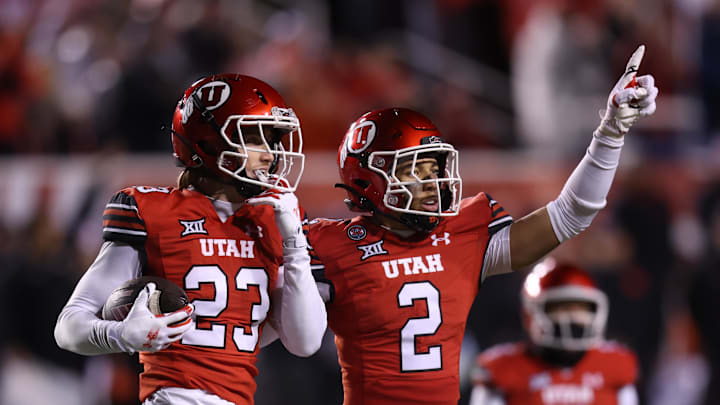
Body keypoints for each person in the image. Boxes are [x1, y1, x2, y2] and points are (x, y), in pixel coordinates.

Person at [304, 46, 657, 404]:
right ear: (369, 177)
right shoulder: (332, 245)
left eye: (434, 168)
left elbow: (571, 214)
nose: (432, 182)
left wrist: (610, 133)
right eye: (414, 169)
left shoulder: (462, 233)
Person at [54, 74, 327, 405]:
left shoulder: (273, 222)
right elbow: (69, 327)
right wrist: (121, 336)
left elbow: (305, 341)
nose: (270, 155)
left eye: (273, 140)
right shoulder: (154, 212)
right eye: (254, 138)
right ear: (208, 140)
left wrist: (295, 246)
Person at [468, 259, 639, 405]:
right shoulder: (502, 370)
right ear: (531, 315)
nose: (573, 317)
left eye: (581, 308)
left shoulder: (616, 366)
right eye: (562, 308)